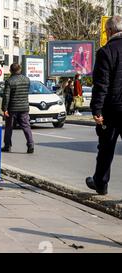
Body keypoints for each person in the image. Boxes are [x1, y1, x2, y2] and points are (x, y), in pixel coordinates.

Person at [86, 16, 122, 196]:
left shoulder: (106, 51)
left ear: (109, 31)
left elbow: (101, 84)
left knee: (106, 147)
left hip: (112, 108)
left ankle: (101, 183)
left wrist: (97, 109)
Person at [1, 63, 34, 154]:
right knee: (26, 126)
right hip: (24, 108)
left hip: (12, 109)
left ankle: (7, 146)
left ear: (11, 70)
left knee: (9, 128)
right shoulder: (27, 80)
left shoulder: (9, 81)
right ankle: (30, 144)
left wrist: (4, 109)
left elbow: (6, 96)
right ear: (20, 69)